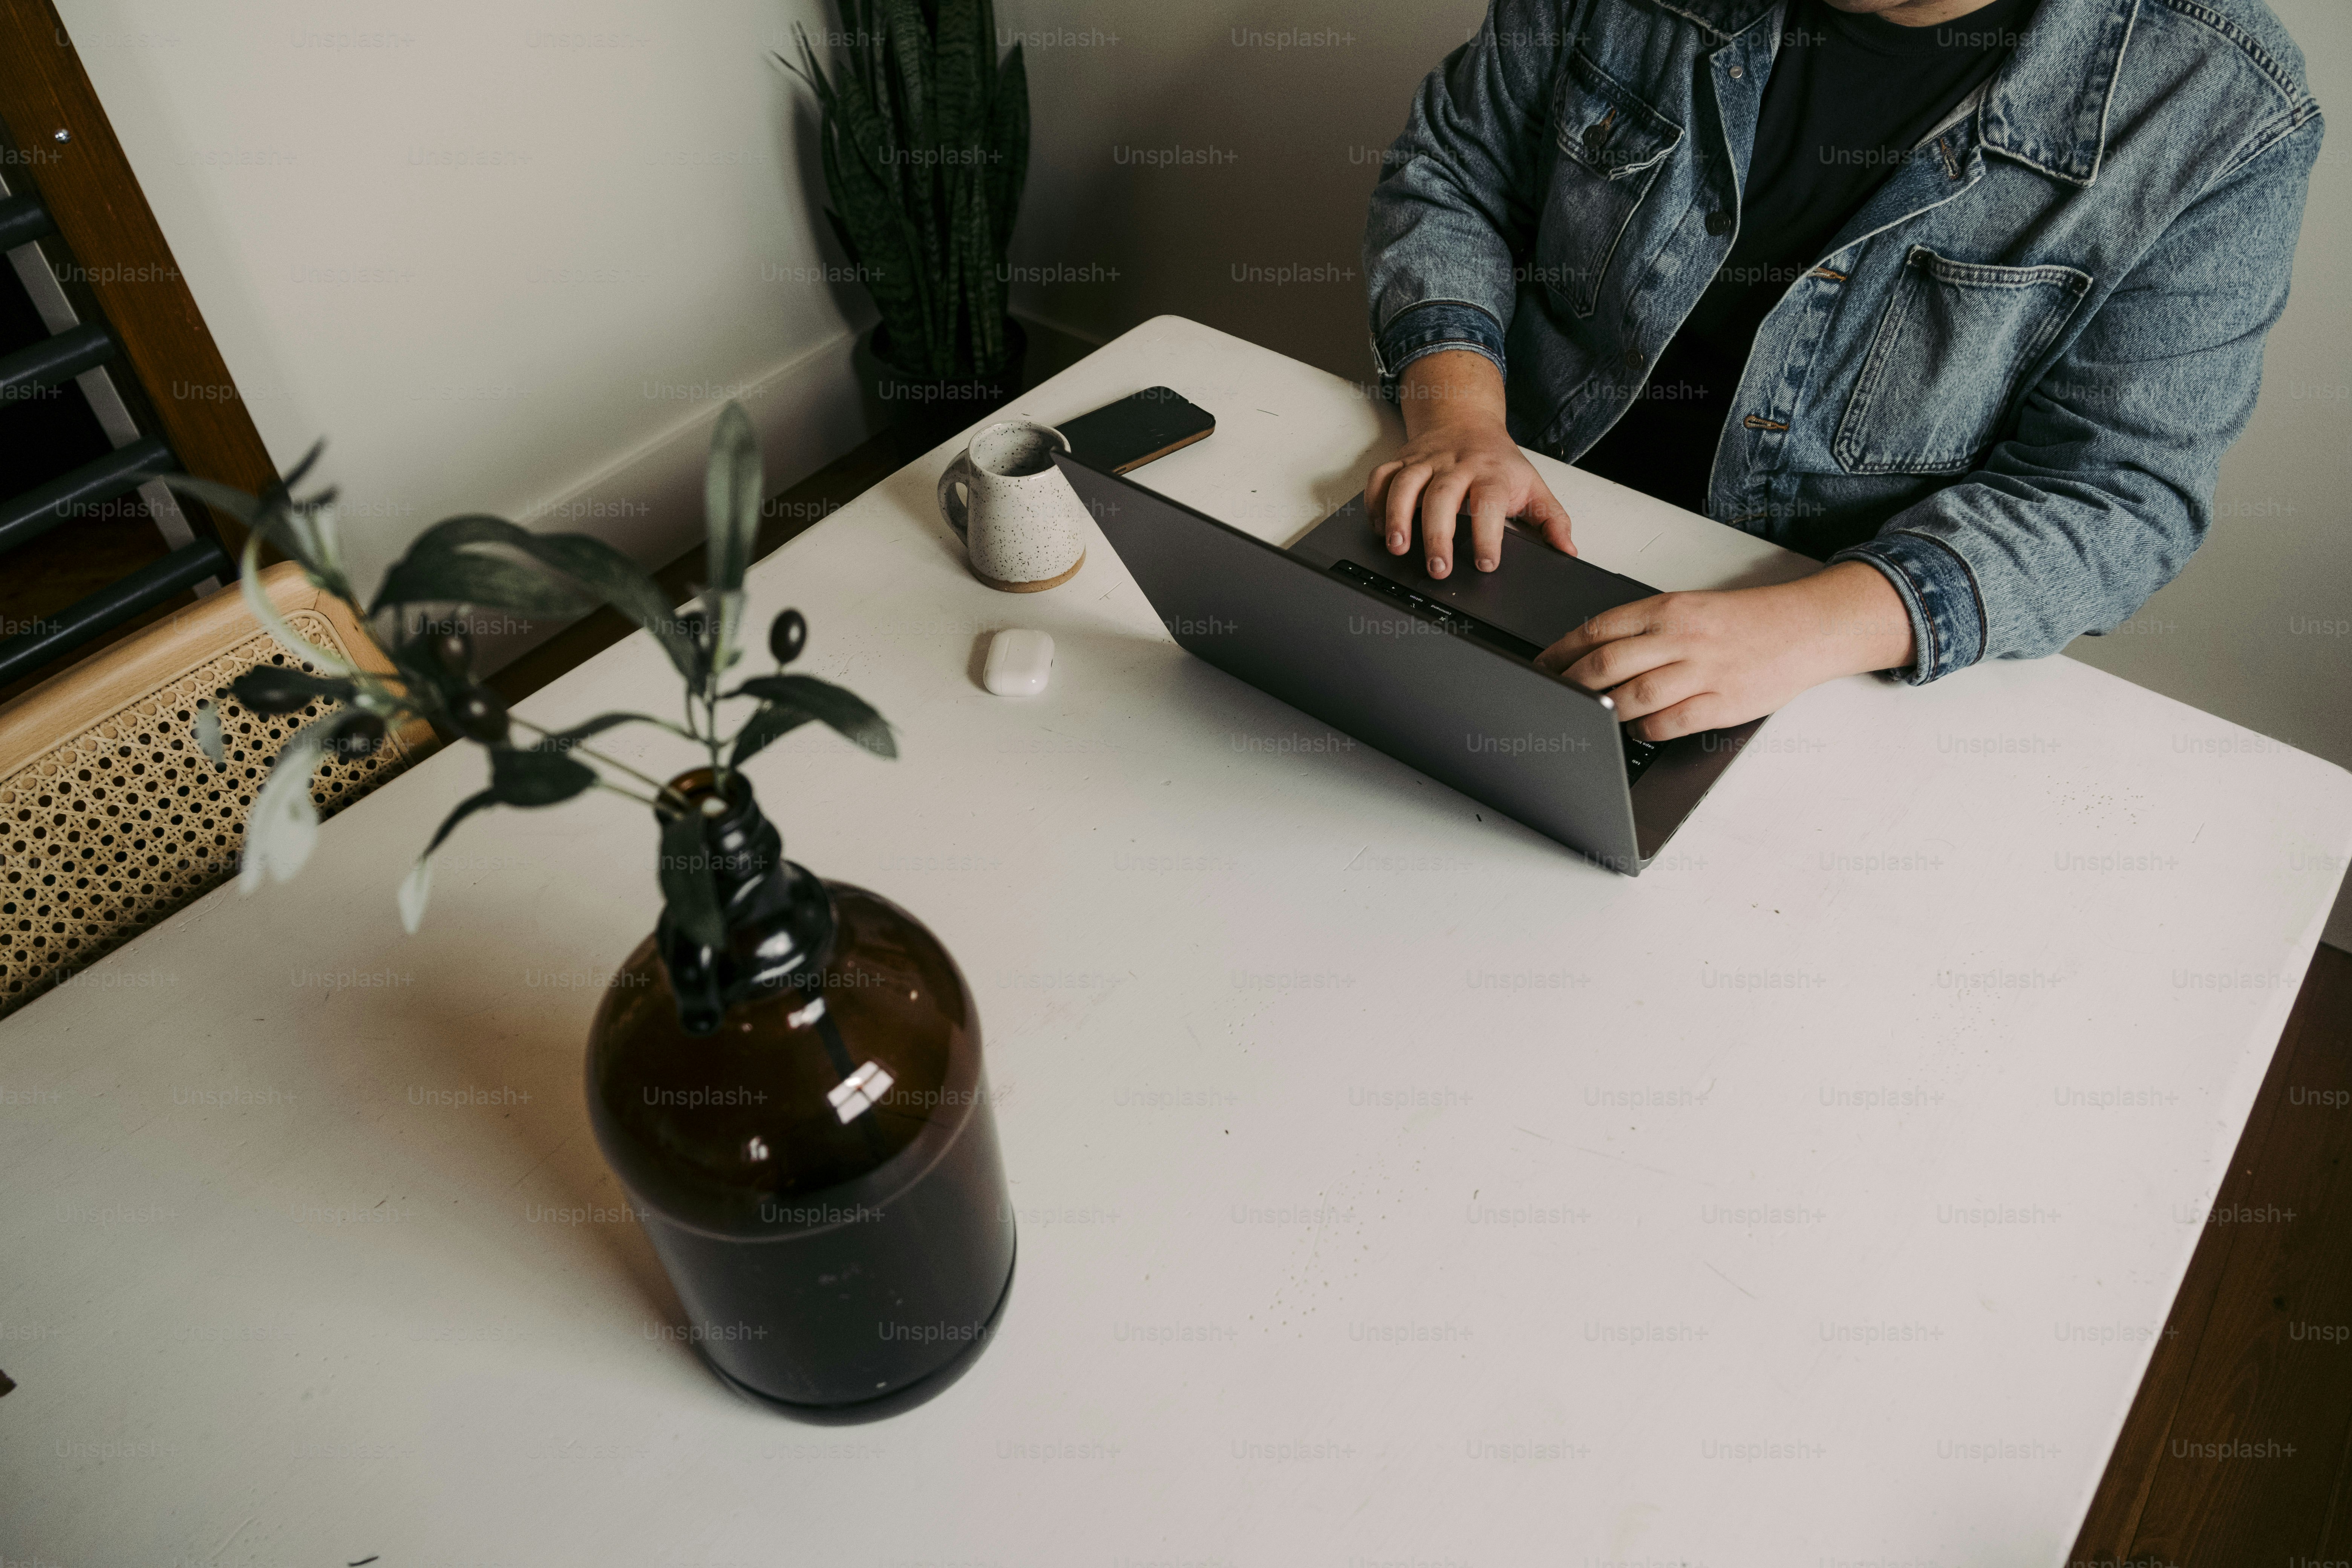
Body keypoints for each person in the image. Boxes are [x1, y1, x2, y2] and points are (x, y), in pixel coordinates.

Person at [1361, 0, 2321, 740]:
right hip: (1510, 522)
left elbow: (2117, 496)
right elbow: (1454, 172)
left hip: (1833, 648)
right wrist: (1459, 419)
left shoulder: (2219, 109)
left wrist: (1804, 630)